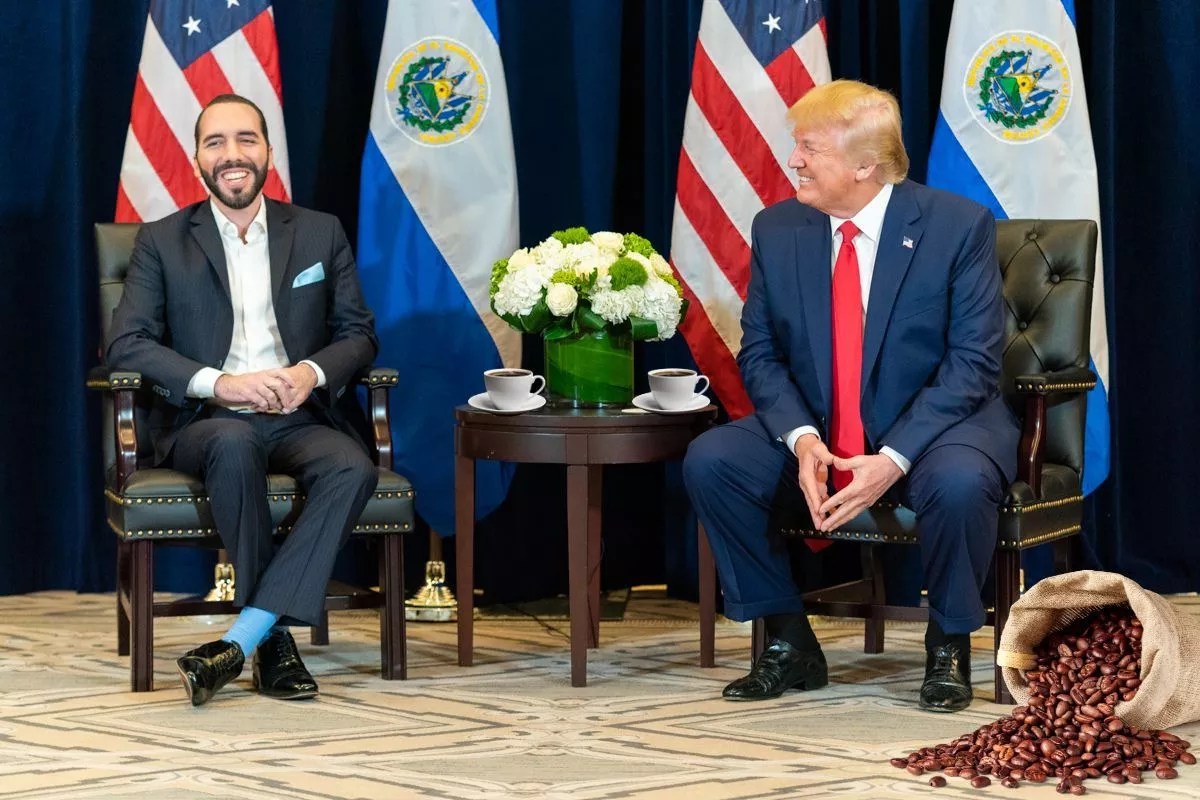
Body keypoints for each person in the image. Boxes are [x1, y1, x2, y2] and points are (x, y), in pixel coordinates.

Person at [683, 80, 1018, 713]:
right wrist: (802, 438)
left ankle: (947, 644)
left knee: (959, 483)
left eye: (809, 148)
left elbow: (973, 362)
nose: (794, 160)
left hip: (938, 426)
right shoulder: (779, 227)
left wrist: (893, 457)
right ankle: (788, 639)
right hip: (820, 421)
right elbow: (761, 352)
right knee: (714, 461)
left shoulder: (956, 225)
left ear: (865, 165)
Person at [106, 94, 380, 707]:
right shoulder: (162, 240)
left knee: (353, 466)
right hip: (206, 420)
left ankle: (241, 640)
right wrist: (220, 384)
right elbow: (127, 343)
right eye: (216, 142)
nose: (232, 154)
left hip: (299, 416)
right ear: (197, 160)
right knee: (233, 441)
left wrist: (310, 373)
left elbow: (358, 334)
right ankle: (273, 644)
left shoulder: (318, 231)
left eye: (246, 139)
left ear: (268, 153)